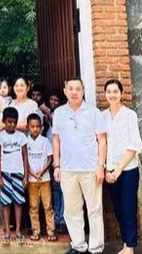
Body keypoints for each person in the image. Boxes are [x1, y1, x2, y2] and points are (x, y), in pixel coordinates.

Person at [53, 77, 108, 254]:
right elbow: (56, 140)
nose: (74, 92)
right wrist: (56, 165)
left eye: (78, 89)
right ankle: (78, 245)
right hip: (68, 169)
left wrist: (101, 165)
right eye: (71, 89)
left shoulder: (94, 113)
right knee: (71, 210)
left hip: (90, 169)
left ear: (83, 91)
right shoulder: (59, 113)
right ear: (65, 91)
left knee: (94, 209)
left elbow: (102, 140)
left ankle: (96, 248)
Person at [103, 79, 142, 254]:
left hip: (127, 170)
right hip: (109, 171)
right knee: (118, 209)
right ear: (105, 94)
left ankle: (130, 247)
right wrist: (105, 169)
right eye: (109, 92)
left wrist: (118, 169)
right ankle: (126, 242)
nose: (112, 95)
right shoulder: (102, 116)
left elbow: (134, 145)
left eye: (115, 91)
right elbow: (100, 143)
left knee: (128, 208)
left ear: (121, 94)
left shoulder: (129, 115)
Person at [0, 107, 28, 245]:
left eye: (14, 122)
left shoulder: (21, 137)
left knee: (18, 202)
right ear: (4, 121)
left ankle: (18, 230)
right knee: (6, 202)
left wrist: (25, 175)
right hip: (5, 173)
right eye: (9, 122)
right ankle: (7, 229)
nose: (12, 125)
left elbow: (25, 156)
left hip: (18, 173)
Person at [26, 113, 56, 242]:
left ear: (42, 127)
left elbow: (50, 158)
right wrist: (32, 173)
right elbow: (24, 159)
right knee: (33, 206)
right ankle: (36, 230)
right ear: (27, 127)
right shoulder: (25, 142)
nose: (35, 129)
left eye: (38, 126)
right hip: (32, 180)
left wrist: (42, 171)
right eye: (32, 126)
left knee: (48, 205)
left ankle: (51, 231)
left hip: (45, 179)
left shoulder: (45, 141)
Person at [45, 91, 66, 233]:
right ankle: (57, 218)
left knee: (63, 189)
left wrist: (48, 115)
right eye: (51, 99)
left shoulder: (60, 116)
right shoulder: (46, 121)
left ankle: (63, 219)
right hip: (50, 159)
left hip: (62, 159)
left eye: (56, 100)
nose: (53, 102)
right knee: (55, 189)